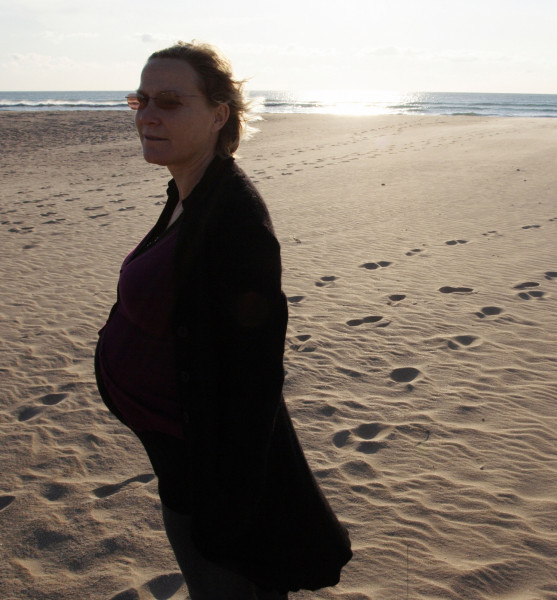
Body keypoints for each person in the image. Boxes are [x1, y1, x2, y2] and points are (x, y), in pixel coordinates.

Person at [95, 41, 351, 599]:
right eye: (140, 100)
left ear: (218, 115)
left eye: (169, 101)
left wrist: (227, 514)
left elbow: (254, 386)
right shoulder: (188, 192)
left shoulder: (236, 222)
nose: (148, 115)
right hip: (179, 467)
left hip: (207, 484)